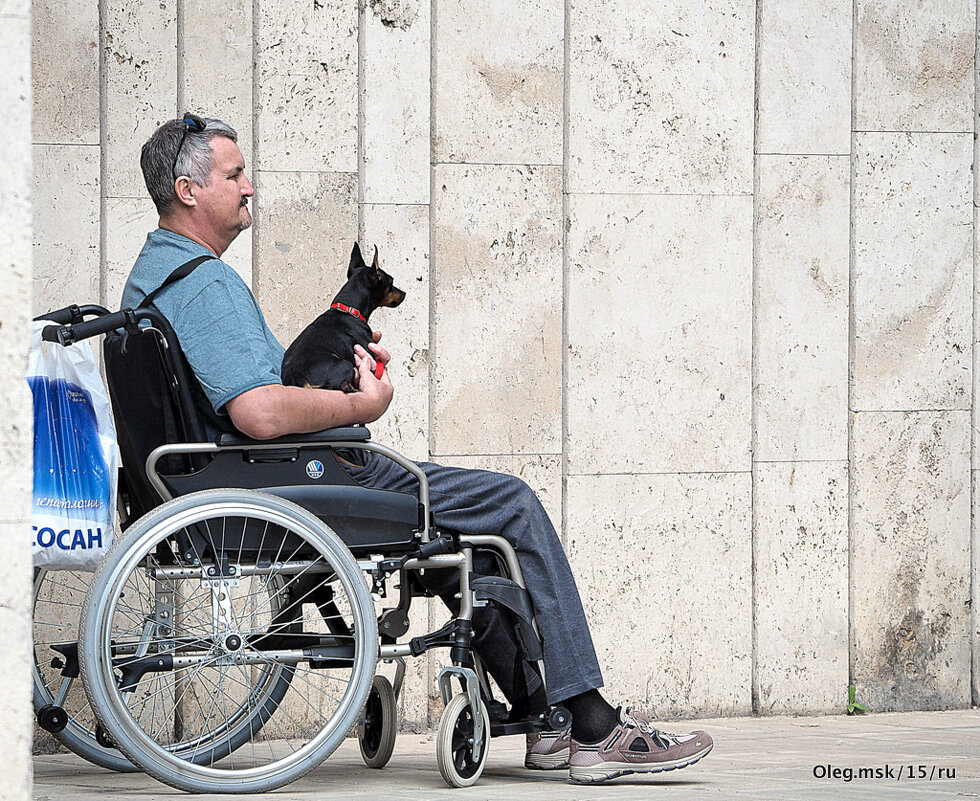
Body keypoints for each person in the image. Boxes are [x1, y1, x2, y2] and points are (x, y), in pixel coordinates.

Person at [121, 113, 713, 784]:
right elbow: (258, 411)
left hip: (238, 478)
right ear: (188, 189)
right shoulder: (206, 284)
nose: (249, 186)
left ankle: (545, 714)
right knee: (511, 504)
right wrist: (360, 405)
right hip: (296, 478)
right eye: (234, 175)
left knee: (463, 538)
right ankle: (595, 728)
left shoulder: (152, 278)